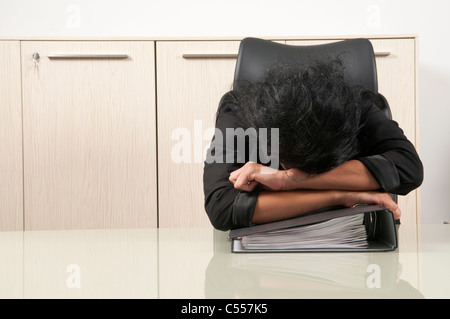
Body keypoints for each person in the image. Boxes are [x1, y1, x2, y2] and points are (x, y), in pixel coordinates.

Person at [203, 59, 423, 231]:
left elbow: (409, 168)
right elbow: (221, 207)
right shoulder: (238, 111)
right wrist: (340, 196)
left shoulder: (357, 106)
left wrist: (286, 180)